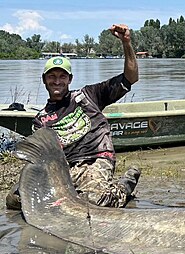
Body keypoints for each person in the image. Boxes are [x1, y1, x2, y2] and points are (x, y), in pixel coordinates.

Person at [6, 24, 141, 210]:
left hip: (96, 159)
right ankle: (76, 193)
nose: (57, 81)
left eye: (62, 76)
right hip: (65, 169)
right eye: (52, 76)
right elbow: (43, 159)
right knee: (16, 200)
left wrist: (126, 43)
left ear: (70, 79)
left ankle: (124, 186)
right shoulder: (40, 121)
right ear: (44, 79)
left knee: (94, 201)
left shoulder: (89, 95)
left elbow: (131, 77)